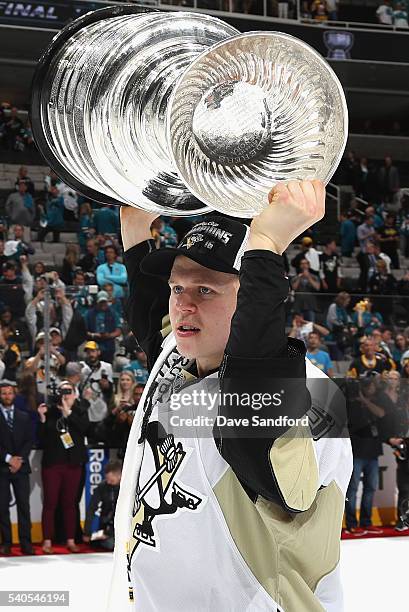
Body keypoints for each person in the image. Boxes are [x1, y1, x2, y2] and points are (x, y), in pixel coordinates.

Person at [107, 181, 353, 611]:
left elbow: (257, 444)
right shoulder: (181, 358)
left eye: (206, 290)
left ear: (255, 299)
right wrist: (136, 233)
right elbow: (152, 316)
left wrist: (267, 244)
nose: (183, 306)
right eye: (177, 288)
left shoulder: (310, 396)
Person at [37, 380, 89, 554]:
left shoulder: (81, 411)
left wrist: (69, 414)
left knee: (70, 504)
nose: (66, 395)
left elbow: (86, 430)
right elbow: (42, 439)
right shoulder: (50, 412)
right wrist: (43, 419)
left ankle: (71, 539)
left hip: (73, 464)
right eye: (63, 391)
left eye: (69, 391)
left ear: (75, 394)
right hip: (53, 464)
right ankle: (47, 540)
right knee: (50, 503)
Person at [345, 376, 385, 535]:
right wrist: (358, 400)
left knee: (371, 488)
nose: (373, 388)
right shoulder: (351, 405)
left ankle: (366, 522)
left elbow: (381, 414)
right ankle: (351, 523)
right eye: (370, 386)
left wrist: (365, 401)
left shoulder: (375, 403)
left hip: (373, 453)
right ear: (363, 388)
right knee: (353, 489)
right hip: (357, 453)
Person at [0, 381, 34, 555]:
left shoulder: (24, 416)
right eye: (4, 393)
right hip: (2, 469)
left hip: (21, 468)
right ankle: (6, 543)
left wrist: (18, 460)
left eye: (9, 393)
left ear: (14, 395)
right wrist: (8, 459)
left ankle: (25, 543)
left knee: (24, 507)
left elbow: (29, 440)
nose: (7, 396)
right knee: (2, 507)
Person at [83, 460, 122, 551]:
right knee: (106, 543)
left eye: (111, 480)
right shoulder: (102, 487)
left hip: (122, 526)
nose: (108, 482)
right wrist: (87, 532)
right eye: (107, 479)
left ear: (120, 476)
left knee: (113, 544)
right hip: (106, 525)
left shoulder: (128, 487)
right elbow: (91, 509)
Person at [85, 291, 122, 363]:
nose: (103, 304)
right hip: (93, 344)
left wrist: (109, 335)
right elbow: (83, 331)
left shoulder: (113, 313)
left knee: (107, 366)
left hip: (108, 345)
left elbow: (118, 331)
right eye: (101, 302)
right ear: (97, 302)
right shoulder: (89, 313)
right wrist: (93, 335)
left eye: (104, 302)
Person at [291, 257, 320, 322]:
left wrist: (308, 277)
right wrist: (299, 278)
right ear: (300, 266)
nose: (304, 265)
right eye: (302, 263)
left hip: (310, 305)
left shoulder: (314, 277)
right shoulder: (295, 278)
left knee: (311, 325)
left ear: (309, 265)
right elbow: (294, 288)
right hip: (298, 305)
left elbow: (317, 287)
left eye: (305, 263)